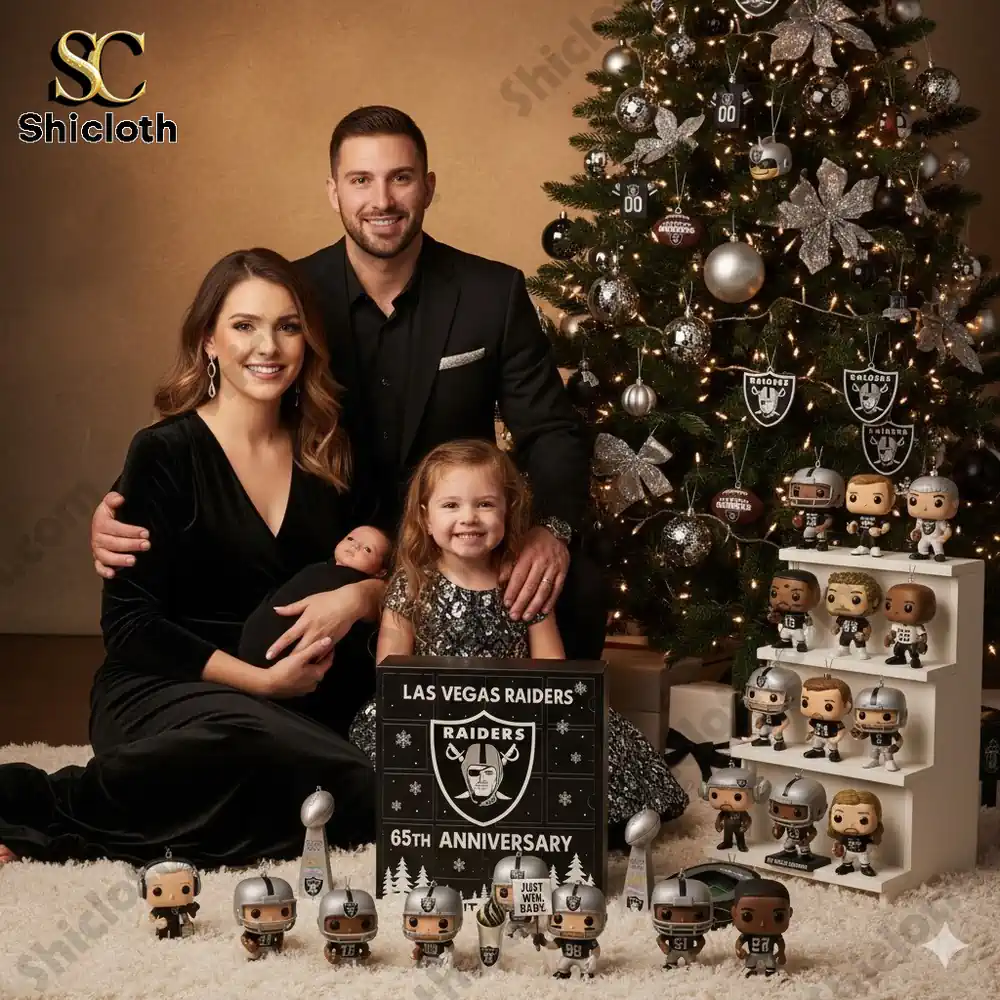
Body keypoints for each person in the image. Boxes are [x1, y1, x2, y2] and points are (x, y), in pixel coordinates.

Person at [89, 105, 609, 665]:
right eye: (361, 180)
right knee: (281, 617)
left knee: (573, 585)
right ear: (334, 192)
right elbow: (225, 392)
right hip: (332, 538)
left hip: (458, 533)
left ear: (428, 187)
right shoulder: (292, 295)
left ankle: (545, 719)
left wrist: (549, 530)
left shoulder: (492, 293)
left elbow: (551, 429)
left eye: (400, 178)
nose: (382, 200)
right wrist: (129, 502)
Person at [0, 248, 379, 867]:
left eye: (287, 327)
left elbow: (398, 565)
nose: (268, 347)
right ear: (208, 340)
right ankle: (30, 806)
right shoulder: (164, 451)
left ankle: (115, 829)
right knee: (284, 761)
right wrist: (262, 683)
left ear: (307, 341)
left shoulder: (330, 453)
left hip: (292, 702)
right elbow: (130, 627)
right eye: (244, 325)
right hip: (165, 688)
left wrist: (364, 595)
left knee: (333, 784)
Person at [348, 439, 688, 832]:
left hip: (514, 712)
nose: (469, 518)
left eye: (484, 504)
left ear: (508, 511)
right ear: (425, 517)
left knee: (586, 735)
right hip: (435, 714)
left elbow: (552, 667)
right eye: (451, 505)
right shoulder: (411, 584)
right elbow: (392, 671)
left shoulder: (520, 580)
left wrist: (551, 716)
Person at [239, 524, 391, 669]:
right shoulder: (320, 567)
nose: (355, 546)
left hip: (289, 653)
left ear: (381, 572)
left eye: (367, 549)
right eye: (350, 539)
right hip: (255, 636)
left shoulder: (355, 583)